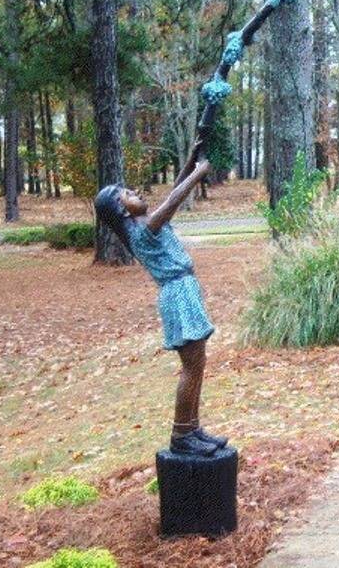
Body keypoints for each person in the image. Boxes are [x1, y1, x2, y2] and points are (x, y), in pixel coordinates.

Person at [94, 139, 226, 457]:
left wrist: (191, 159)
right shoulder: (145, 229)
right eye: (127, 194)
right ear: (121, 209)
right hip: (178, 295)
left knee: (198, 363)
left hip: (183, 291)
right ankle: (182, 433)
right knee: (192, 366)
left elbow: (171, 194)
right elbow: (173, 200)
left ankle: (192, 428)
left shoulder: (144, 225)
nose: (136, 193)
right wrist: (200, 173)